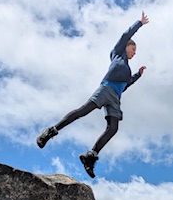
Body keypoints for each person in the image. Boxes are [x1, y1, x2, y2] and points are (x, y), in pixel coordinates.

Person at [36, 11, 150, 178]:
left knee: (113, 128)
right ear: (126, 47)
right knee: (83, 111)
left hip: (116, 97)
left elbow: (125, 85)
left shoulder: (127, 69)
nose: (134, 53)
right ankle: (51, 131)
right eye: (133, 49)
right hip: (106, 89)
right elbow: (126, 35)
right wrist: (139, 23)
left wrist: (138, 75)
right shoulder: (117, 54)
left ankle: (90, 156)